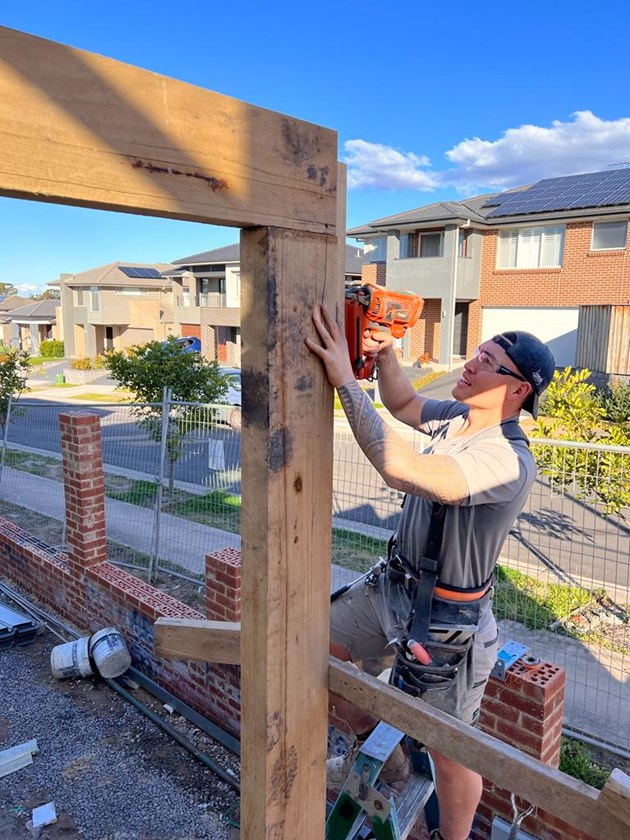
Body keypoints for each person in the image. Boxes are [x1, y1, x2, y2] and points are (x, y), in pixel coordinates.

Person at [305, 304, 556, 840]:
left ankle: (452, 837)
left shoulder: (507, 459)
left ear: (516, 390)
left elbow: (402, 468)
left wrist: (346, 383)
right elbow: (401, 401)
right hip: (393, 586)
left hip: (449, 619)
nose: (471, 362)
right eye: (478, 353)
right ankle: (388, 758)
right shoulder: (458, 417)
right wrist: (386, 355)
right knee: (316, 649)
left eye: (487, 361)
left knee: (450, 747)